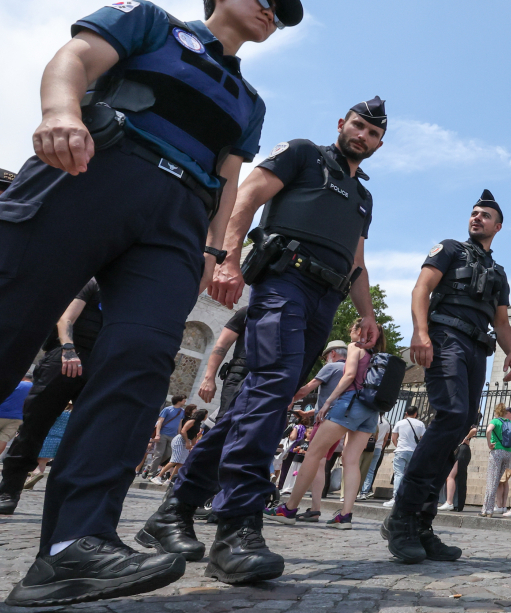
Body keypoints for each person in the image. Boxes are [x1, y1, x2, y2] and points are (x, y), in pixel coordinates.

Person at [0, 0, 301, 606]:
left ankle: (72, 549)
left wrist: (214, 247)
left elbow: (229, 176)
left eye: (282, 13)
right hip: (93, 170)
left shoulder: (250, 102)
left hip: (176, 221)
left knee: (139, 365)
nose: (273, 15)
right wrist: (61, 110)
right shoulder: (152, 23)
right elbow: (75, 56)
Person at [139, 95, 382, 585]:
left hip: (325, 300)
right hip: (283, 283)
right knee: (269, 390)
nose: (364, 136)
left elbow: (356, 258)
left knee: (258, 403)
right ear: (342, 123)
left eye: (374, 133)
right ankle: (236, 527)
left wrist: (367, 313)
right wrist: (227, 258)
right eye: (358, 125)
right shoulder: (300, 154)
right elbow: (246, 197)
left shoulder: (363, 196)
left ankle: (175, 509)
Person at [385, 190, 511, 565]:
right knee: (451, 414)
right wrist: (420, 332)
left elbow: (502, 321)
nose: (477, 218)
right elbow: (421, 289)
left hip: (478, 348)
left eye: (485, 215)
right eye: (474, 213)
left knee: (463, 423)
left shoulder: (499, 273)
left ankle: (423, 523)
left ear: (499, 226)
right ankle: (403, 516)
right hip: (445, 337)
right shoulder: (448, 249)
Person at [0, 280, 104, 515]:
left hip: (101, 364)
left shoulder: (130, 292)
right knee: (34, 426)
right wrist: (68, 349)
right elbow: (66, 319)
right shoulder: (93, 284)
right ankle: (9, 491)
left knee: (92, 434)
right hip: (67, 358)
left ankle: (73, 500)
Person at [271, 321, 386, 529]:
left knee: (314, 453)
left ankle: (288, 509)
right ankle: (345, 516)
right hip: (370, 410)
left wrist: (328, 402)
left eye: (352, 329)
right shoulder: (376, 355)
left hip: (350, 403)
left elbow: (350, 376)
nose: (349, 332)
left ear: (360, 332)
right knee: (351, 461)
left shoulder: (355, 348)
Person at [198, 306, 249, 419]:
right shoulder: (247, 311)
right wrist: (208, 378)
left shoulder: (291, 316)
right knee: (226, 421)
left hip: (270, 378)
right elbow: (222, 345)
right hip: (240, 374)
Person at [382, 405, 426, 508]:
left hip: (401, 450)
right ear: (416, 414)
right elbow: (423, 439)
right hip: (414, 452)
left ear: (406, 413)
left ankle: (396, 498)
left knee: (398, 474)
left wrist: (398, 446)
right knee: (410, 475)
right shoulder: (420, 424)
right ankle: (408, 498)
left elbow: (394, 438)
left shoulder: (400, 422)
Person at [24, 403, 73, 491]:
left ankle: (35, 474)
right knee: (43, 461)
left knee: (37, 459)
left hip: (48, 437)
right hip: (59, 440)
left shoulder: (58, 413)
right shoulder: (72, 415)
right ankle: (31, 481)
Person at [480, 404, 511, 516]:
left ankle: (487, 510)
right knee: (498, 481)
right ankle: (488, 508)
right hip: (507, 453)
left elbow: (488, 431)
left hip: (496, 452)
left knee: (492, 481)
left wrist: (489, 443)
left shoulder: (495, 421)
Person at [158, 408, 207, 485]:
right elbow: (183, 431)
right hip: (180, 440)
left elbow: (194, 436)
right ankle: (158, 476)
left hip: (186, 442)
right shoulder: (192, 421)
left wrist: (193, 446)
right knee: (175, 460)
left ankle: (170, 480)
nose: (207, 416)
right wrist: (188, 442)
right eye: (206, 414)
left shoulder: (198, 423)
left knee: (181, 462)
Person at [146, 397, 188, 479]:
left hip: (174, 436)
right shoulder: (167, 409)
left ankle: (149, 467)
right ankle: (151, 474)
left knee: (168, 455)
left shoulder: (182, 411)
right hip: (163, 434)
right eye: (184, 400)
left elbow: (179, 424)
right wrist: (157, 434)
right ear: (179, 401)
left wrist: (178, 435)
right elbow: (160, 422)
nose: (185, 401)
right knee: (159, 454)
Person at [439, 426, 477, 512]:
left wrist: (467, 438)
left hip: (462, 449)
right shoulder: (463, 420)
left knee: (450, 476)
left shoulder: (466, 421)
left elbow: (474, 430)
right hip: (459, 450)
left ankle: (449, 502)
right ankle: (453, 502)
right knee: (453, 476)